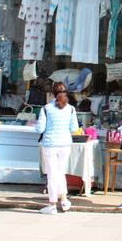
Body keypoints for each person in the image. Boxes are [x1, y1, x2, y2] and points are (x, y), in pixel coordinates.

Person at [36, 81, 78, 214]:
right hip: (65, 144)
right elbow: (74, 128)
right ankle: (64, 200)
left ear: (52, 93)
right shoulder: (71, 109)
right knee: (61, 172)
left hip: (50, 144)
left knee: (52, 174)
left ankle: (52, 204)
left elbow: (40, 128)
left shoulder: (46, 108)